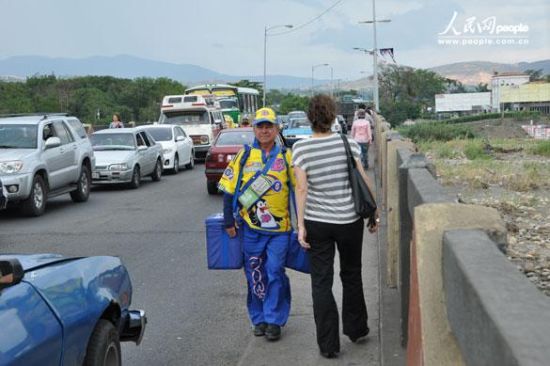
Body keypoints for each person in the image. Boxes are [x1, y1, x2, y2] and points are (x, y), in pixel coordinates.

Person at [292, 94, 379, 359]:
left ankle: (328, 345)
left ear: (310, 118)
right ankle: (356, 328)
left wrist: (301, 225)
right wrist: (373, 212)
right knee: (351, 274)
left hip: (318, 223)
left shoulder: (301, 148)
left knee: (321, 281)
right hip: (349, 221)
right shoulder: (347, 142)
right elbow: (363, 179)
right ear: (333, 117)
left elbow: (302, 188)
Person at [219, 107, 294, 341]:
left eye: (268, 126)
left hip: (279, 232)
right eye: (260, 126)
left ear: (276, 129)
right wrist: (229, 221)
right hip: (250, 230)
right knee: (254, 274)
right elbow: (229, 189)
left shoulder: (286, 156)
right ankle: (258, 318)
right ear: (254, 129)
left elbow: (300, 192)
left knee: (274, 271)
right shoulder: (244, 155)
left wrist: (304, 223)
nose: (264, 130)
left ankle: (274, 320)